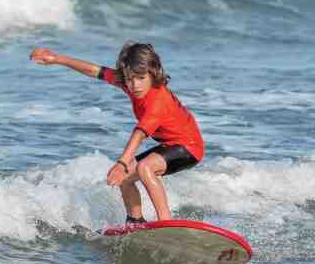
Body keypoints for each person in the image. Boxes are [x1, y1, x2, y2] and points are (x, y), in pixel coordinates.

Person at [30, 41, 204, 224]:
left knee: (145, 167)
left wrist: (122, 162)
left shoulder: (157, 100)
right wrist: (58, 59)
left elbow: (139, 134)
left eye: (140, 78)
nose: (134, 85)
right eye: (130, 79)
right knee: (124, 179)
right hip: (169, 145)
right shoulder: (131, 84)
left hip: (189, 148)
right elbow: (96, 71)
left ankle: (166, 222)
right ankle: (135, 221)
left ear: (153, 74)